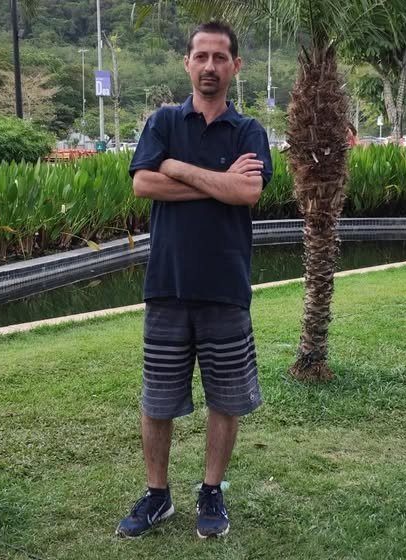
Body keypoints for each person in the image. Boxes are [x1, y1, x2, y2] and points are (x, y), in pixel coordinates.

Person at [116, 21, 273, 539]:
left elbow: (247, 193)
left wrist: (178, 169)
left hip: (226, 288)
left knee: (225, 399)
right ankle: (157, 495)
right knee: (157, 399)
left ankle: (211, 491)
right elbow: (143, 183)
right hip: (167, 285)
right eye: (201, 56)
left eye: (219, 57)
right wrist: (219, 181)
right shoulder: (163, 121)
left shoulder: (249, 131)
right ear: (187, 63)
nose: (209, 66)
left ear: (235, 66)